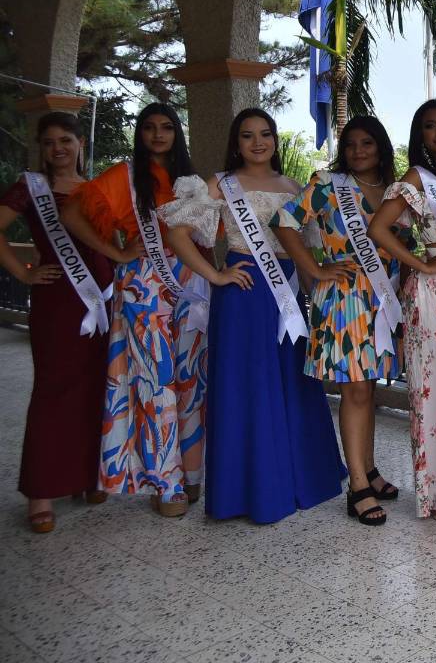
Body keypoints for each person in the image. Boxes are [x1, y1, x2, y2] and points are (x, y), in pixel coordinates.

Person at [161, 108, 345, 524]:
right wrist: (215, 274)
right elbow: (176, 234)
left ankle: (304, 479)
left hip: (287, 295)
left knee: (294, 382)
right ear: (236, 142)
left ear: (275, 140)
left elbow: (307, 249)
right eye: (248, 136)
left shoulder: (294, 186)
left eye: (265, 134)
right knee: (250, 386)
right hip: (242, 293)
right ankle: (253, 490)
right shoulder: (220, 184)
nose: (258, 142)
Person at [61, 103, 207, 517]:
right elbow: (71, 212)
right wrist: (116, 252)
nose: (158, 135)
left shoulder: (187, 180)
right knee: (155, 381)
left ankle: (192, 475)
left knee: (190, 378)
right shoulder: (123, 176)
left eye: (166, 127)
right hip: (144, 285)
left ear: (177, 134)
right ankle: (167, 482)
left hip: (188, 284)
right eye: (149, 128)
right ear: (139, 133)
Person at [270, 116, 403, 526]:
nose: (359, 151)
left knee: (368, 389)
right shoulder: (327, 184)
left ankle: (371, 468)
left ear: (381, 146)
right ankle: (357, 486)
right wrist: (313, 267)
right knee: (355, 391)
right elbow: (284, 221)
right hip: (343, 296)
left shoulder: (395, 191)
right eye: (351, 145)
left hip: (381, 297)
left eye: (367, 143)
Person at [0, 112, 115, 531]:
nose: (58, 149)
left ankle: (87, 477)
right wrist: (23, 272)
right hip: (58, 301)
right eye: (49, 142)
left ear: (81, 142)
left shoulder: (97, 188)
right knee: (52, 391)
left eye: (65, 139)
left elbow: (114, 242)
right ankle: (42, 491)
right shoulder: (30, 189)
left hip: (103, 298)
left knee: (95, 388)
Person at [367, 98, 436, 523]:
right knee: (432, 393)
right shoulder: (416, 179)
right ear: (420, 134)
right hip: (430, 295)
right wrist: (420, 263)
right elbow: (379, 227)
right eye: (430, 126)